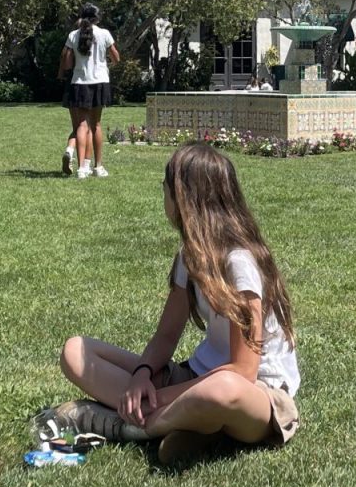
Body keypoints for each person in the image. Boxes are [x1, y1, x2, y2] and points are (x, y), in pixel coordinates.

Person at [52, 143, 300, 466]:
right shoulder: (189, 257)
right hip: (195, 376)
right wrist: (142, 376)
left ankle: (133, 427)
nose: (163, 195)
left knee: (219, 390)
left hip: (257, 397)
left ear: (185, 201)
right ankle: (194, 427)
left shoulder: (240, 262)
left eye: (166, 189)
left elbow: (243, 371)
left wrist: (158, 396)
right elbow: (167, 336)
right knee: (76, 351)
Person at [59, 4, 120, 179]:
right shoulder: (104, 34)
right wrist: (105, 64)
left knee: (82, 125)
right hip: (100, 81)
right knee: (96, 124)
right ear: (97, 18)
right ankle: (98, 167)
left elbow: (68, 62)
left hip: (79, 82)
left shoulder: (73, 35)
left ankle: (81, 169)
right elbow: (116, 58)